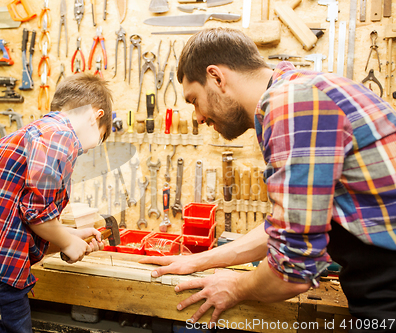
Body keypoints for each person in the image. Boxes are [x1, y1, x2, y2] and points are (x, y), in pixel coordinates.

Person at [140, 28, 396, 331]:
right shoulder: (299, 91)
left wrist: (235, 286)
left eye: (194, 99)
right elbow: (290, 223)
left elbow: (293, 270)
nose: (197, 117)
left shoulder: (292, 103)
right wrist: (199, 261)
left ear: (217, 78)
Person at [0, 73, 113, 333]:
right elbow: (38, 213)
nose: (89, 149)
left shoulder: (34, 133)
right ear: (94, 116)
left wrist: (71, 235)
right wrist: (67, 243)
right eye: (99, 138)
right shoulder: (61, 135)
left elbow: (20, 215)